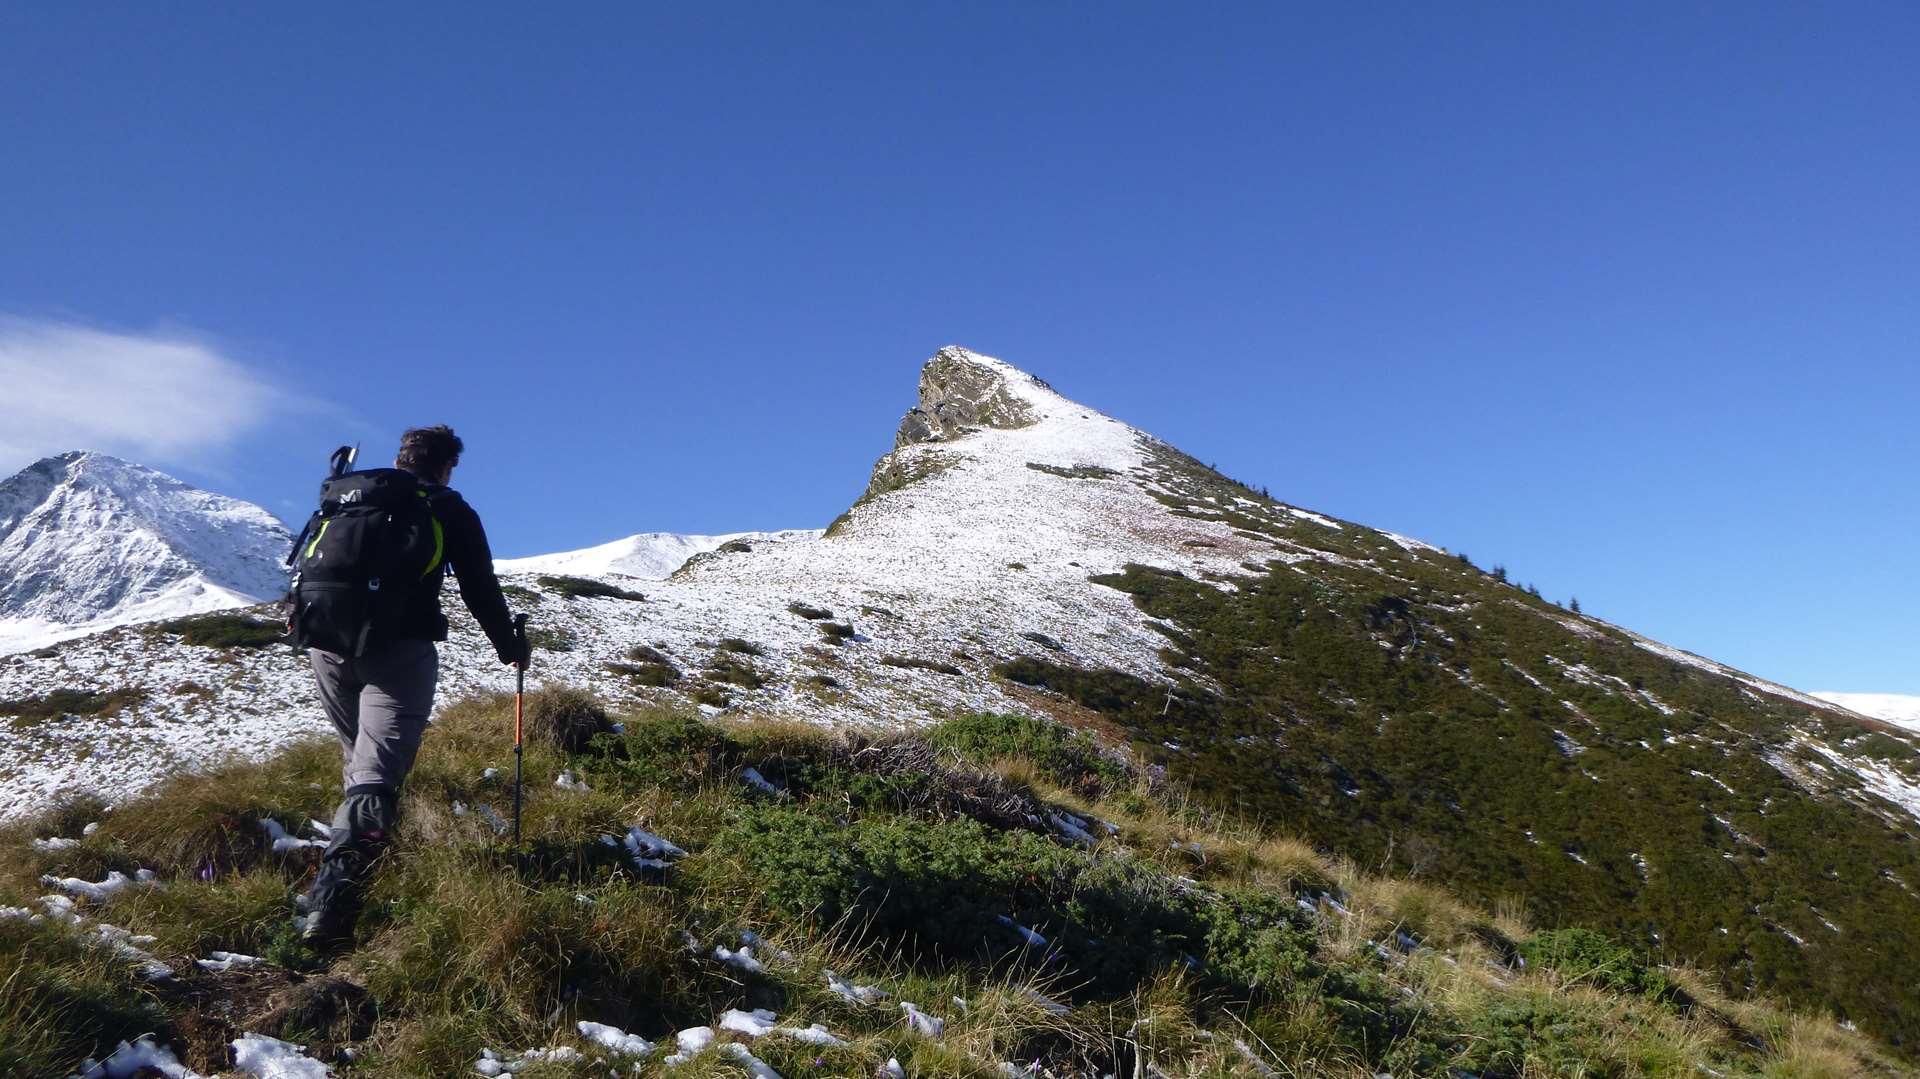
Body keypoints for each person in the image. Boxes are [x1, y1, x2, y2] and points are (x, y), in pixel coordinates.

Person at [297, 425, 527, 947]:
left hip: (326, 646)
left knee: (360, 760)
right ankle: (333, 905)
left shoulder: (349, 498)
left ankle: (368, 857)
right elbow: (479, 586)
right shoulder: (447, 507)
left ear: (403, 459)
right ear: (448, 464)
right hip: (398, 651)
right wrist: (509, 646)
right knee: (375, 776)